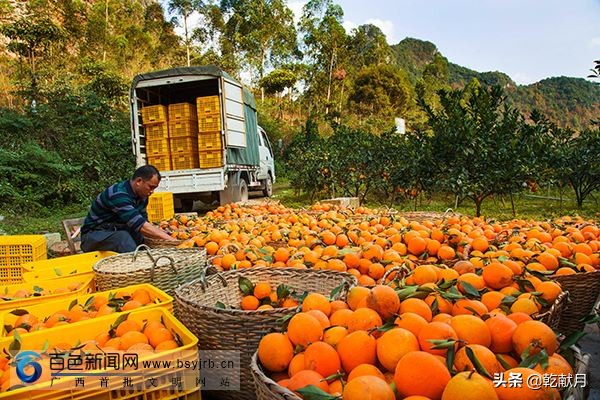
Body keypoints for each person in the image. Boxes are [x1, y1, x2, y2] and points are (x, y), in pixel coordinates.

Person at [81, 165, 177, 253]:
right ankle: (138, 267)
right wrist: (174, 241)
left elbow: (143, 222)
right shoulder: (117, 194)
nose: (152, 192)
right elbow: (141, 225)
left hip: (115, 231)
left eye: (154, 188)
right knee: (122, 238)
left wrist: (163, 234)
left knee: (141, 237)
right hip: (93, 236)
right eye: (150, 187)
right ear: (139, 181)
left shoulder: (142, 196)